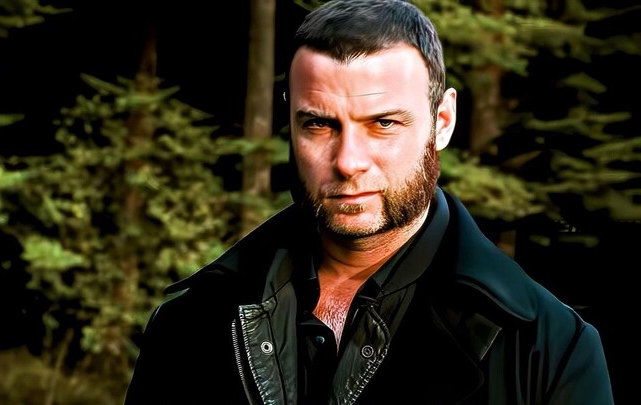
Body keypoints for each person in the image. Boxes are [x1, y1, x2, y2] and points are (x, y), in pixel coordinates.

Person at [124, 0, 614, 403]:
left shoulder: (549, 349)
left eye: (383, 123)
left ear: (442, 122)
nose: (348, 162)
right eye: (320, 124)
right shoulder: (190, 325)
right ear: (290, 123)